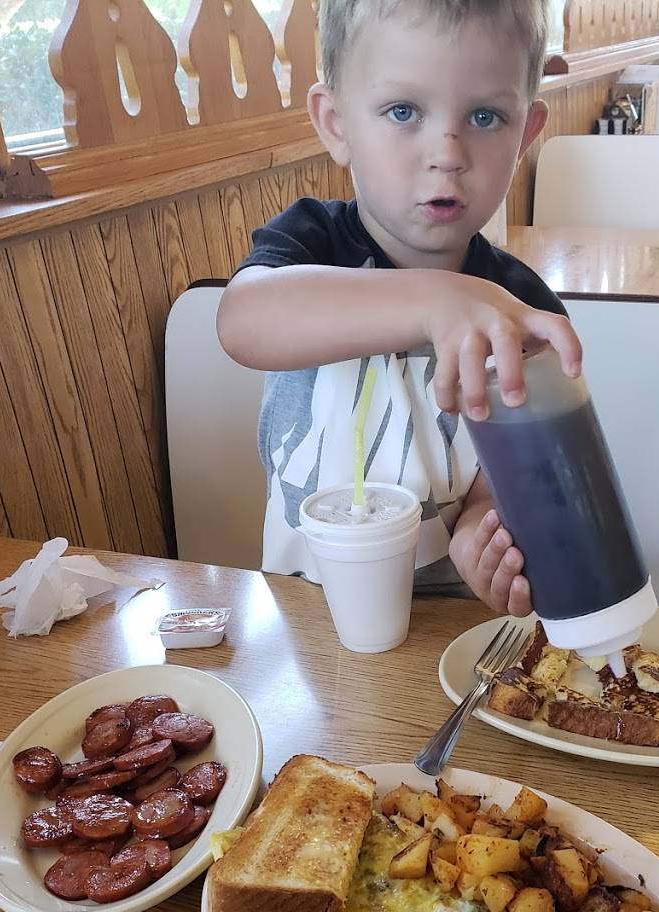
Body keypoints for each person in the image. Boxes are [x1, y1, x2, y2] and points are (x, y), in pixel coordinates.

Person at [217, 0, 582, 617]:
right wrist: (434, 299)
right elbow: (243, 323)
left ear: (525, 132)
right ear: (336, 123)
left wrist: (481, 532)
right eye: (403, 111)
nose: (447, 152)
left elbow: (507, 476)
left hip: (448, 626)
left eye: (485, 116)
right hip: (303, 614)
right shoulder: (311, 244)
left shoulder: (519, 310)